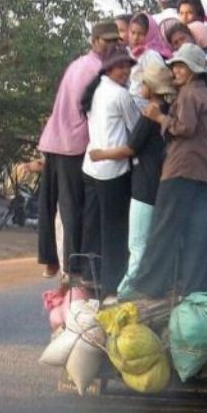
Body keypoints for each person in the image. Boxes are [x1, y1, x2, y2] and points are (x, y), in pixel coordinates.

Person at [128, 44, 207, 298]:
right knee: (196, 237)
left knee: (163, 231)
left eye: (181, 66)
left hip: (181, 170)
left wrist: (159, 118)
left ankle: (147, 288)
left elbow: (185, 128)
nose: (176, 71)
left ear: (193, 70)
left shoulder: (189, 95)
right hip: (206, 174)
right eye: (175, 66)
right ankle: (191, 290)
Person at [37, 20, 122, 279]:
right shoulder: (98, 70)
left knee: (49, 205)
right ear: (94, 41)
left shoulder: (77, 64)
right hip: (73, 144)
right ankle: (73, 267)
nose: (111, 46)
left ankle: (49, 259)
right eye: (106, 41)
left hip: (53, 139)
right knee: (73, 208)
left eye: (114, 41)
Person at [88, 61, 176, 299]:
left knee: (137, 245)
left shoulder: (150, 114)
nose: (139, 86)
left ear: (152, 87)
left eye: (143, 83)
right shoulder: (168, 112)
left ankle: (124, 294)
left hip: (144, 187)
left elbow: (130, 148)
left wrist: (99, 154)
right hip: (160, 186)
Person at [81, 51, 140, 296]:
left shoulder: (95, 91)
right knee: (115, 231)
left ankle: (88, 277)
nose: (125, 72)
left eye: (128, 67)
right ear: (108, 70)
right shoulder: (120, 94)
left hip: (91, 166)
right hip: (113, 171)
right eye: (120, 68)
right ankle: (111, 285)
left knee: (93, 225)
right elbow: (136, 129)